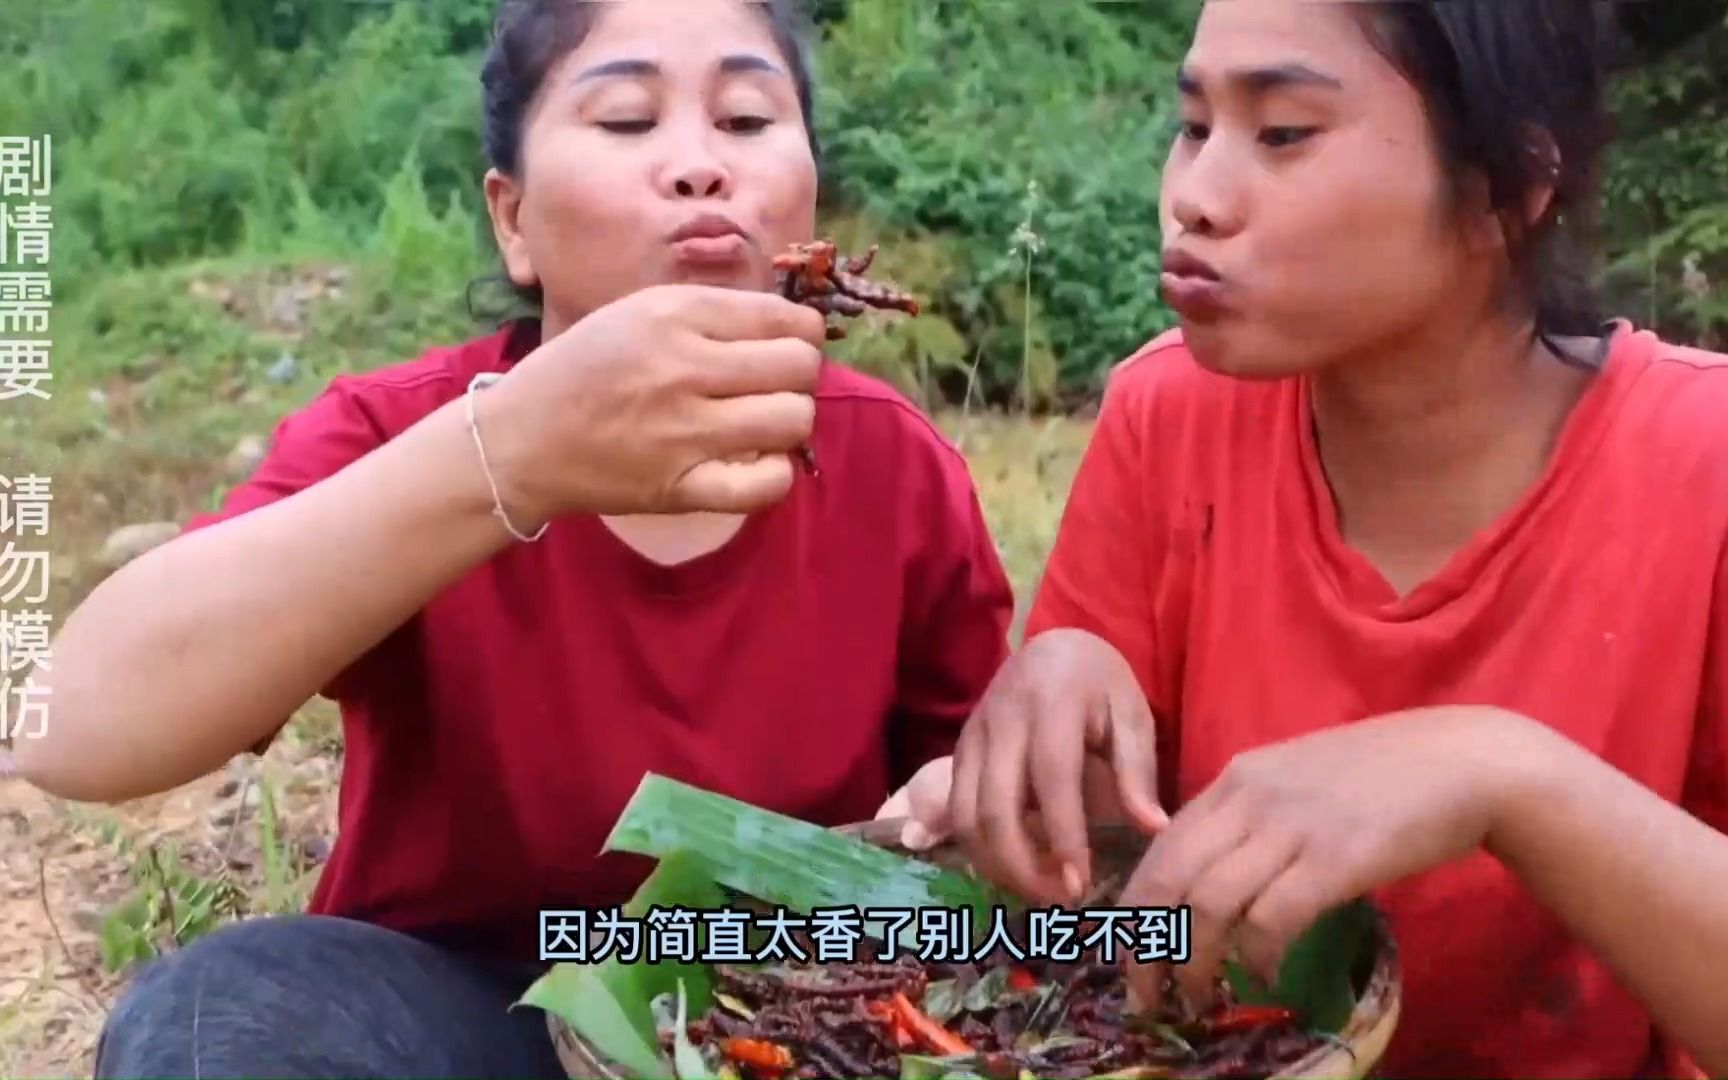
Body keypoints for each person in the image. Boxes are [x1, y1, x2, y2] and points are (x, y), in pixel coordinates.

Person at [18, 1, 1015, 1076]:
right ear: (514, 221)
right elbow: (73, 728)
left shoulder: (894, 467)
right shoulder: (403, 433)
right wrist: (510, 457)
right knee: (219, 1017)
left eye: (746, 117)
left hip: (772, 1017)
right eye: (628, 120)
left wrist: (960, 806)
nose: (698, 166)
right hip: (457, 1016)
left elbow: (975, 825)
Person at [880, 1, 1728, 1078]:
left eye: (1282, 133)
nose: (1192, 196)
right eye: (1192, 126)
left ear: (1510, 188)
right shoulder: (1168, 418)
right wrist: (1056, 743)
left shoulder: (1702, 465)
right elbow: (1095, 920)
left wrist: (1505, 779)